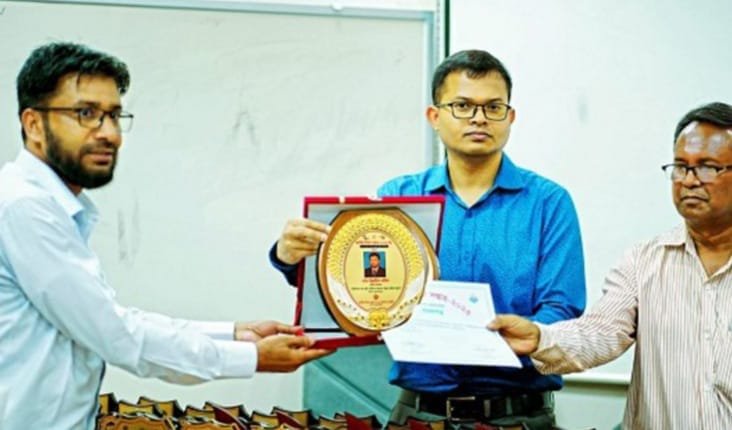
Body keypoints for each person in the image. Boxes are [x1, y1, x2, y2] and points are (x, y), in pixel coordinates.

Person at [0, 42, 332, 430]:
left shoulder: (41, 204)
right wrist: (253, 357)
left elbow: (111, 318)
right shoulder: (24, 207)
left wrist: (235, 334)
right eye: (86, 114)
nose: (110, 134)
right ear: (33, 124)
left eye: (114, 115)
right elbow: (116, 336)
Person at [270, 50, 586, 429]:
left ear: (510, 117)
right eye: (462, 106)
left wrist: (501, 340)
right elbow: (360, 286)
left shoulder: (548, 203)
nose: (479, 118)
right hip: (419, 415)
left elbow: (562, 310)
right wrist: (291, 257)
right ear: (435, 117)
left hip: (518, 415)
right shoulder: (398, 200)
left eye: (493, 107)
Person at [490, 102, 732, 429]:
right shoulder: (644, 260)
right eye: (680, 167)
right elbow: (601, 332)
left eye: (707, 167)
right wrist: (540, 338)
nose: (688, 180)